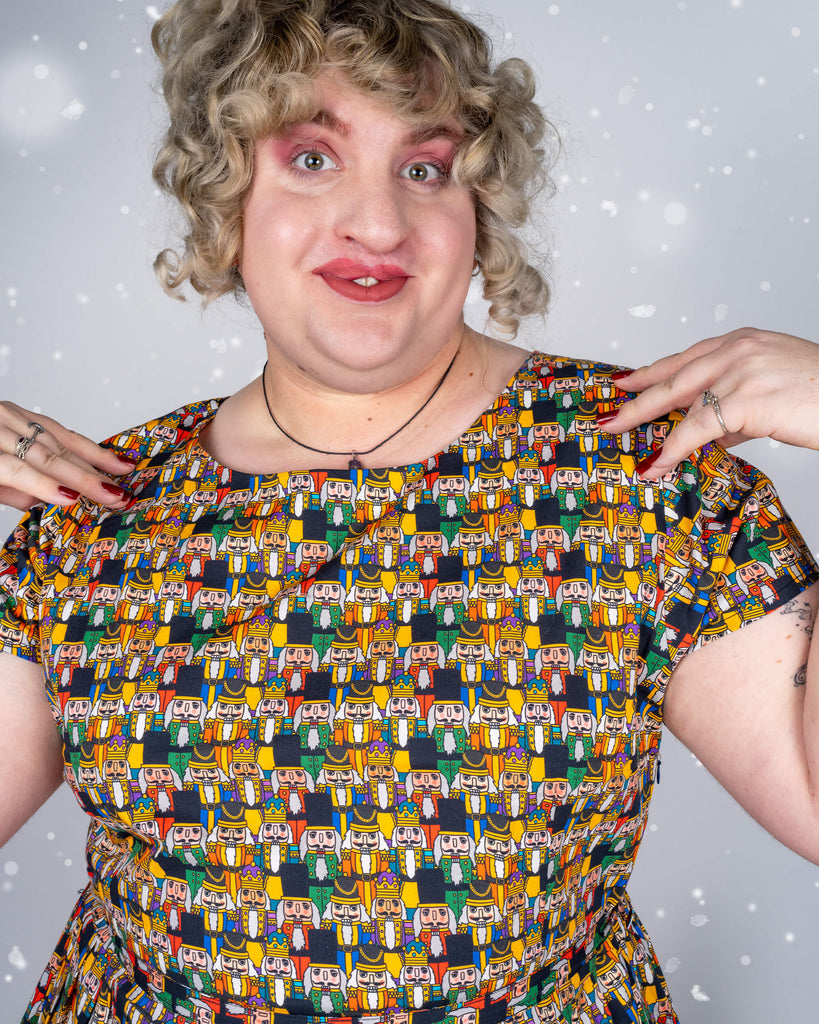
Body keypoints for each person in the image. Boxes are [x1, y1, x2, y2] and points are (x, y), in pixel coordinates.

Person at [1, 1, 818, 1022]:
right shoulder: (97, 506)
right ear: (225, 190)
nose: (378, 222)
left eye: (425, 168)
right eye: (310, 157)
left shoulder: (647, 469)